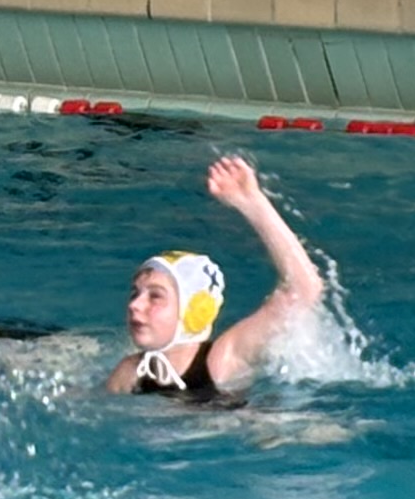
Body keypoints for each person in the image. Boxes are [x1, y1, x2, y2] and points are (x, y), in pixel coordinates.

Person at [107, 155, 322, 401]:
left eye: (155, 296)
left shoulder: (225, 359)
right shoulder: (131, 373)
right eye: (135, 293)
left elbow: (304, 289)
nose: (135, 305)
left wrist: (252, 203)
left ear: (194, 310)